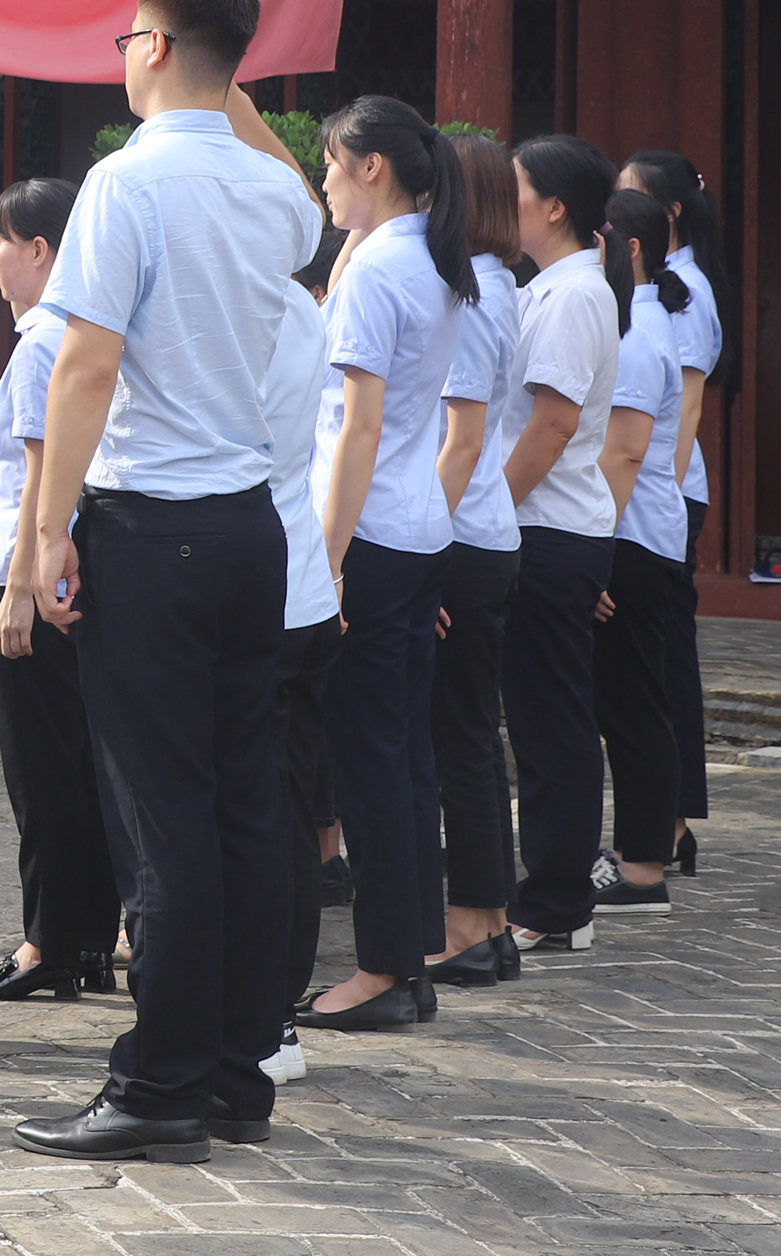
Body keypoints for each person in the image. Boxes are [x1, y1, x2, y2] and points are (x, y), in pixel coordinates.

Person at [0, 0, 320, 1166]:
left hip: (152, 529)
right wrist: (224, 71)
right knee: (244, 805)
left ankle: (161, 1082)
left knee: (163, 815)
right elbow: (299, 189)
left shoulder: (124, 183)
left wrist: (46, 529)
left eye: (130, 35)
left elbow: (86, 365)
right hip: (249, 530)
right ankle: (235, 1068)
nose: (122, 53)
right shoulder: (273, 194)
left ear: (159, 49)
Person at [297, 97, 475, 1034]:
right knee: (403, 757)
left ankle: (382, 970)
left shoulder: (376, 270)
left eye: (332, 161)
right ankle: (405, 957)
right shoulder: (429, 259)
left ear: (373, 166)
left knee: (369, 762)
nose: (323, 179)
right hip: (417, 530)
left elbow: (356, 429)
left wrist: (326, 564)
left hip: (366, 535)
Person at [0, 177, 121, 1008]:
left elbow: (35, 480)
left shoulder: (40, 345)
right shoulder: (88, 335)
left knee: (41, 772)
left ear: (41, 249)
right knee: (79, 765)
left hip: (24, 572)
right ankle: (86, 936)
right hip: (70, 572)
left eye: (1, 241)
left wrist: (18, 590)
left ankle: (48, 940)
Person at [495, 136, 627, 954]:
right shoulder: (551, 287)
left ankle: (555, 900)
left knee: (550, 725)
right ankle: (552, 889)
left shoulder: (574, 295)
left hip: (544, 527)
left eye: (513, 187)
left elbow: (552, 424)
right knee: (543, 719)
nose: (500, 201)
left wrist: (486, 513)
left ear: (554, 206)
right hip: (546, 527)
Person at [428, 134, 524, 988]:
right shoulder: (498, 284)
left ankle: (468, 922)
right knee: (473, 734)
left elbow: (458, 443)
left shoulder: (471, 293)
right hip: (482, 529)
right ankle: (488, 918)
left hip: (457, 532)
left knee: (457, 736)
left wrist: (420, 549)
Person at [615, 150, 732, 818]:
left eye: (628, 196)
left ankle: (673, 818)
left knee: (664, 664)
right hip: (661, 487)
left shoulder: (681, 288)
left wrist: (663, 489)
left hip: (664, 490)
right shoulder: (666, 280)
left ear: (669, 213)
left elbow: (686, 408)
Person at [591, 188, 688, 918]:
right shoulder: (641, 323)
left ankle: (644, 863)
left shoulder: (635, 334)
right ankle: (643, 850)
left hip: (628, 536)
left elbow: (622, 454)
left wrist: (591, 556)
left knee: (631, 704)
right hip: (638, 532)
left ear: (629, 250)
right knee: (631, 700)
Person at [263, 222, 341, 1084]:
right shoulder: (303, 308)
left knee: (260, 812)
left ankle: (263, 1013)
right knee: (288, 811)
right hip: (303, 582)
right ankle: (275, 1012)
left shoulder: (246, 309)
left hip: (264, 587)